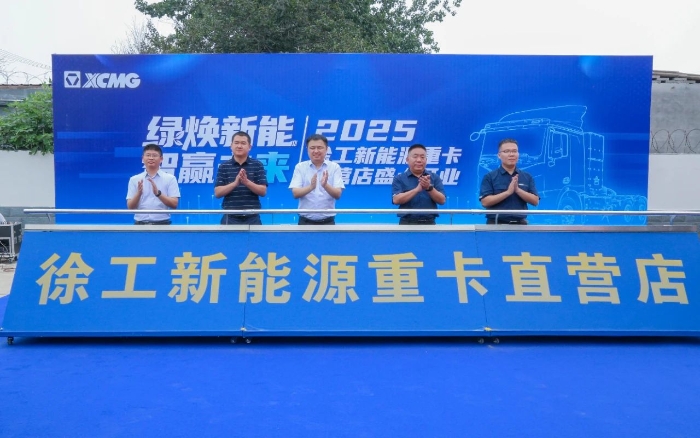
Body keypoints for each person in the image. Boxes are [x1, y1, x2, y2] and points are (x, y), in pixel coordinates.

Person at [479, 138, 539, 224]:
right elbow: (485, 202)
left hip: (520, 224)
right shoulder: (490, 177)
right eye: (506, 151)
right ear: (499, 155)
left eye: (514, 151)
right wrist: (508, 192)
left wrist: (518, 190)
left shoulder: (527, 176)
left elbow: (535, 201)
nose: (511, 154)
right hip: (496, 224)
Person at [289, 134, 345, 225]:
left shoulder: (334, 167)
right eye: (312, 148)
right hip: (305, 221)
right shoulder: (300, 167)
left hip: (328, 221)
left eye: (319, 148)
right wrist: (311, 187)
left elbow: (337, 194)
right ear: (307, 149)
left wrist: (325, 185)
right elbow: (295, 193)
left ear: (326, 149)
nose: (316, 151)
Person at [215, 131, 268, 225]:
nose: (239, 146)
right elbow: (217, 193)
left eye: (243, 143)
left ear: (249, 147)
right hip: (230, 217)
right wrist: (235, 183)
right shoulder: (224, 166)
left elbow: (263, 191)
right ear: (231, 146)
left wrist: (246, 182)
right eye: (236, 143)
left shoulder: (257, 165)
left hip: (252, 217)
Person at [392, 143, 446, 225]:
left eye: (422, 157)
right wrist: (417, 190)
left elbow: (442, 200)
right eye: (415, 156)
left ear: (426, 160)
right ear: (407, 160)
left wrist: (429, 188)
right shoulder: (399, 178)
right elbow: (396, 200)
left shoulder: (434, 177)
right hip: (406, 223)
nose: (419, 160)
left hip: (429, 223)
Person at [126, 144, 180, 225]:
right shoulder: (134, 179)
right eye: (148, 155)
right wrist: (139, 193)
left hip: (163, 224)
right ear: (143, 158)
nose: (151, 158)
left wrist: (158, 194)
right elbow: (130, 207)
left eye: (154, 155)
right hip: (140, 224)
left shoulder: (170, 178)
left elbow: (174, 204)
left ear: (161, 159)